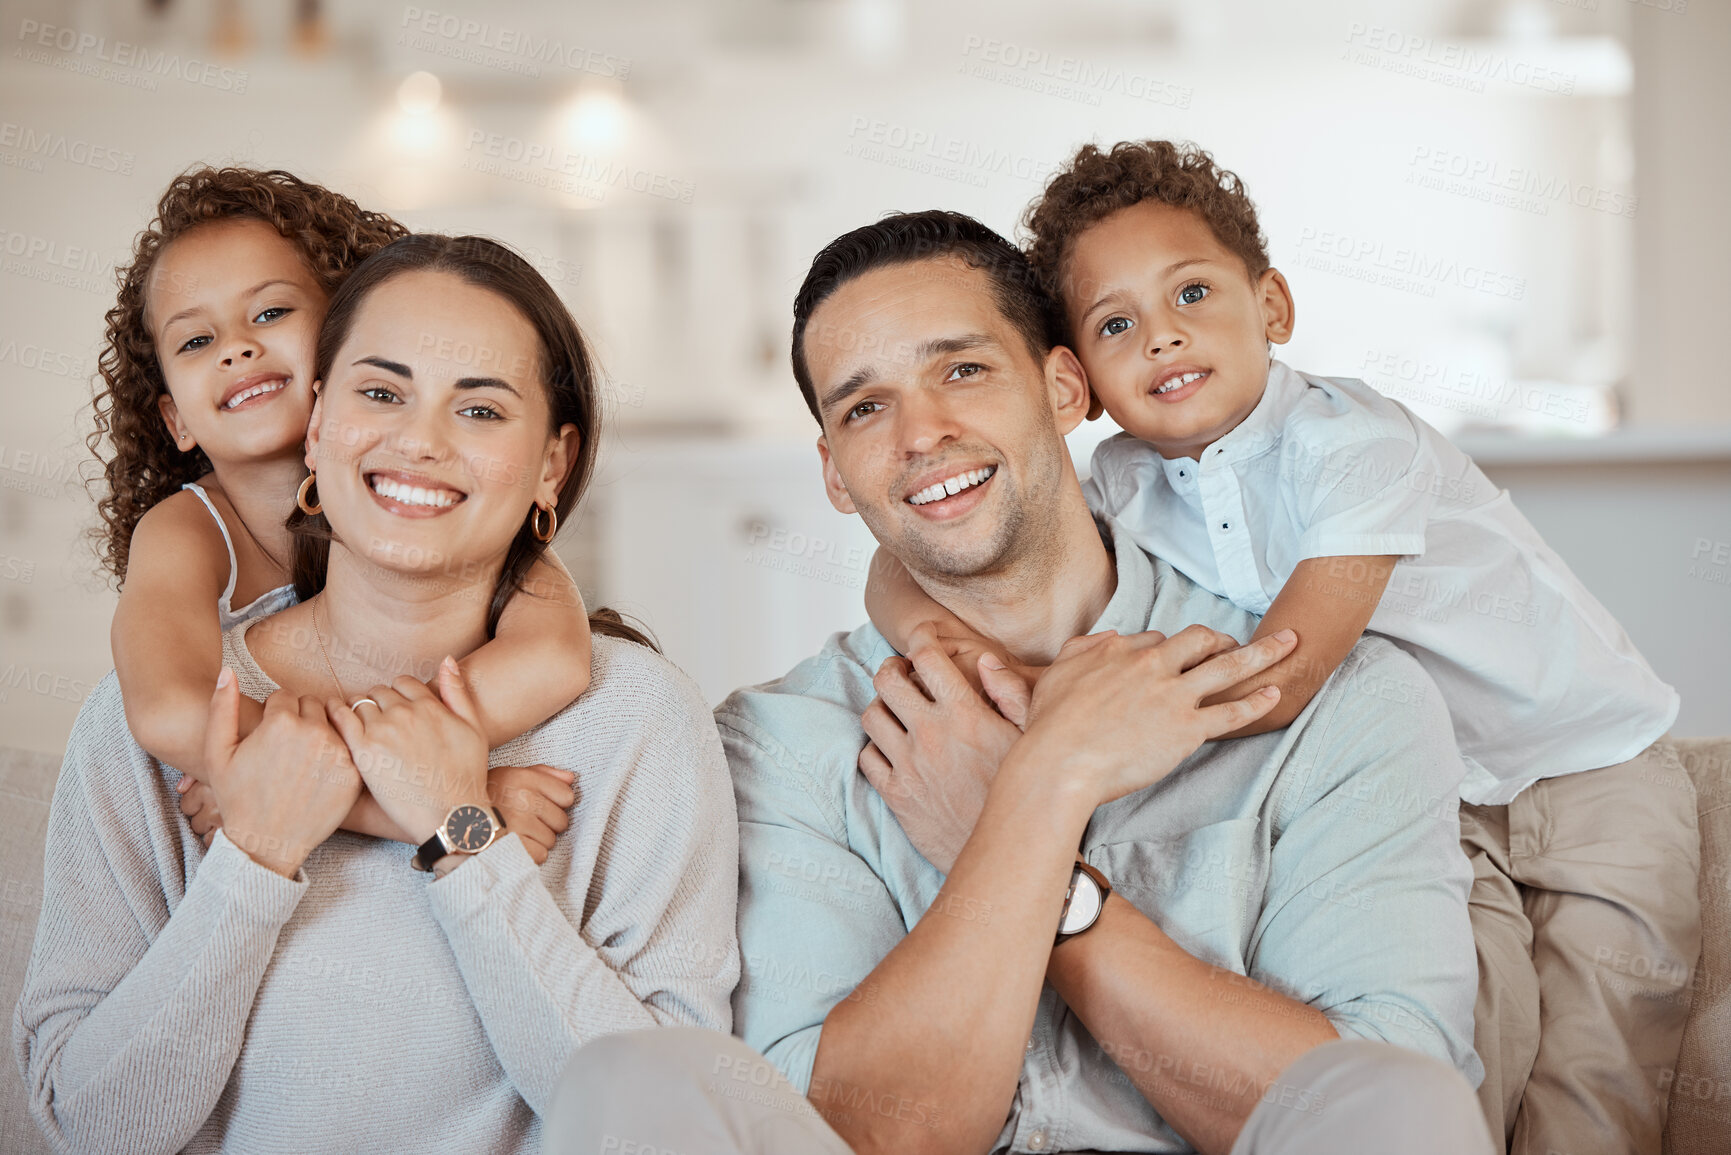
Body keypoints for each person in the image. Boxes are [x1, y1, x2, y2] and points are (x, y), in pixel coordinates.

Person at [546, 211, 1493, 1155]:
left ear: (1064, 385)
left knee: (1401, 1098)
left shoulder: (1329, 695)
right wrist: (1043, 795)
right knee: (635, 1075)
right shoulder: (781, 744)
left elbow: (1377, 1102)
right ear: (835, 473)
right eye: (865, 406)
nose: (923, 433)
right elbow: (847, 1134)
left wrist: (1039, 862)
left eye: (962, 369)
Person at [866, 141, 1701, 1153]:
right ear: (1079, 379)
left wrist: (1063, 727)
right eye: (1118, 324)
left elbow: (1286, 673)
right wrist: (956, 659)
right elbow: (900, 568)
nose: (1163, 340)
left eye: (1194, 296)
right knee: (1459, 1060)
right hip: (1426, 785)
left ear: (1274, 308)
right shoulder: (1125, 485)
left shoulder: (1354, 446)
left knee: (1602, 1065)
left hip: (1584, 769)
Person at [15, 234, 739, 1153]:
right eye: (382, 392)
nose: (420, 441)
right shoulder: (152, 724)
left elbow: (669, 1126)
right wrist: (256, 852)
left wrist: (462, 835)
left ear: (552, 466)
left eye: (479, 408)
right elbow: (90, 1126)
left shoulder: (637, 721)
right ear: (315, 422)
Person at [91, 166, 592, 855]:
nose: (237, 347)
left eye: (270, 313)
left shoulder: (446, 510)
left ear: (347, 335)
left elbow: (556, 658)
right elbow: (170, 707)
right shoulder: (185, 532)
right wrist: (433, 804)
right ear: (176, 419)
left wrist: (412, 775)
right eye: (195, 341)